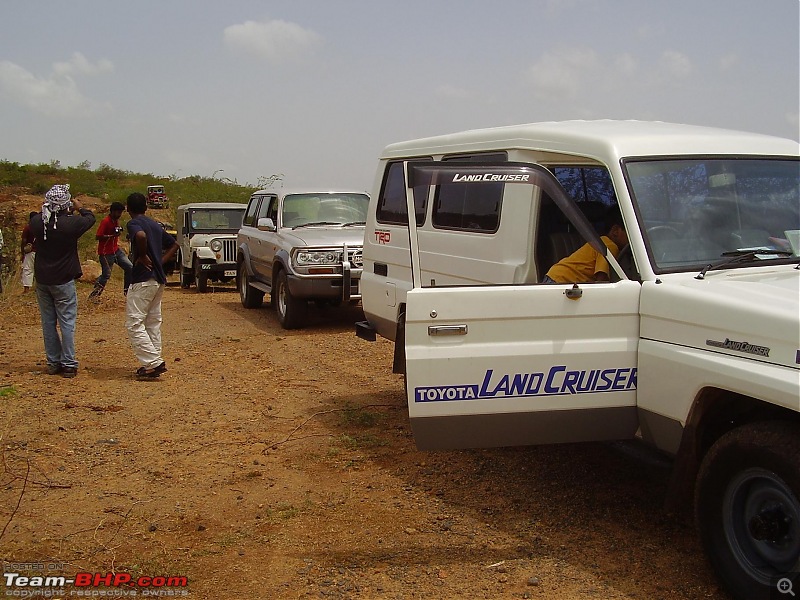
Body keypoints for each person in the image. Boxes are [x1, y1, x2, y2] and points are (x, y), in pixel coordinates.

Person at [29, 184, 96, 378]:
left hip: (43, 278)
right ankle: (68, 363)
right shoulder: (71, 224)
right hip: (63, 279)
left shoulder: (37, 222)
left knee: (48, 322)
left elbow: (34, 214)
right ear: (66, 204)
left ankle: (53, 362)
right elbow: (90, 218)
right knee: (67, 322)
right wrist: (79, 207)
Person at [125, 192, 178, 379]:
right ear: (146, 207)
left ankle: (153, 362)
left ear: (127, 208)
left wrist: (142, 255)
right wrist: (160, 261)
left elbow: (139, 236)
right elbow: (174, 244)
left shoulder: (134, 224)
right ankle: (153, 361)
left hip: (142, 279)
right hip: (158, 279)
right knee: (152, 322)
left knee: (135, 322)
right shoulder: (154, 225)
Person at [543, 205, 629, 284]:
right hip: (561, 281)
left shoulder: (602, 241)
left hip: (557, 276)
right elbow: (601, 280)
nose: (630, 240)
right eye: (630, 234)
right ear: (615, 231)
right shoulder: (608, 246)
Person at [89, 202, 133, 300]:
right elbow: (98, 236)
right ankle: (94, 296)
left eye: (120, 212)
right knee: (106, 275)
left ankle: (127, 291)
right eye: (118, 212)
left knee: (129, 267)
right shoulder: (106, 221)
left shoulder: (115, 221)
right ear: (112, 211)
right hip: (105, 253)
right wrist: (111, 236)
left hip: (115, 250)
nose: (119, 215)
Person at [20, 212, 37, 292]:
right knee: (39, 269)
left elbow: (24, 240)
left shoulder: (28, 228)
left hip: (30, 251)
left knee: (28, 269)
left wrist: (22, 251)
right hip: (40, 251)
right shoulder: (41, 227)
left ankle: (26, 288)